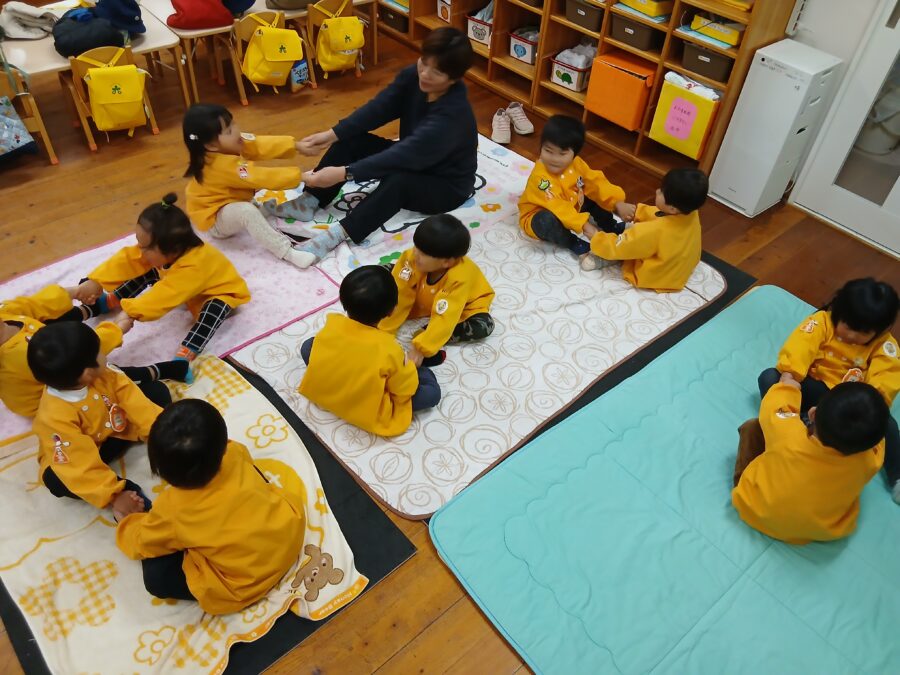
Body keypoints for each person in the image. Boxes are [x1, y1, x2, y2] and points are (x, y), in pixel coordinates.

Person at [289, 27, 478, 263]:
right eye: (424, 62)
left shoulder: (452, 115)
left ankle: (337, 235)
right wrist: (332, 134)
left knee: (399, 182)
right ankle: (310, 201)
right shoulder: (414, 76)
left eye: (437, 71)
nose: (425, 73)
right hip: (412, 161)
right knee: (351, 140)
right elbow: (380, 108)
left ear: (454, 78)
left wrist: (344, 173)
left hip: (445, 185)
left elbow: (403, 156)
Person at [116, 399, 306, 614]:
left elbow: (141, 543)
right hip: (289, 535)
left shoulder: (172, 509)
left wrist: (127, 520)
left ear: (161, 470)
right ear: (223, 445)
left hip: (244, 584)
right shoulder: (234, 452)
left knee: (156, 578)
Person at [758, 278, 900, 501]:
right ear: (838, 311)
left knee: (888, 425)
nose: (852, 336)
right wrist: (790, 376)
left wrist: (870, 406)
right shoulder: (822, 322)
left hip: (848, 404)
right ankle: (797, 422)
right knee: (769, 377)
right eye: (848, 327)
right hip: (815, 387)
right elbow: (800, 346)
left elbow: (886, 376)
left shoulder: (885, 345)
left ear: (879, 331)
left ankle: (897, 476)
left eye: (863, 333)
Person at [72, 194, 250, 364]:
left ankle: (187, 353)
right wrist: (96, 280)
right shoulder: (168, 253)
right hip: (186, 290)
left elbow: (163, 296)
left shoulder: (194, 267)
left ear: (172, 250)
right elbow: (129, 259)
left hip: (217, 293)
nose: (140, 250)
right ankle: (111, 300)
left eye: (145, 247)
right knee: (147, 268)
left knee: (213, 311)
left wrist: (131, 311)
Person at [27, 322, 164, 520]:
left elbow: (132, 400)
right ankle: (121, 491)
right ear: (86, 373)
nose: (104, 353)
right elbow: (77, 464)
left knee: (158, 392)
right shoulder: (54, 416)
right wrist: (113, 494)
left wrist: (159, 435)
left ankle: (154, 434)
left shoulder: (106, 374)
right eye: (100, 352)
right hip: (80, 453)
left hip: (116, 429)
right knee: (56, 479)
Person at [732, 376, 888, 544]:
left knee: (753, 427)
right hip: (821, 529)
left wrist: (788, 386)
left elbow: (774, 407)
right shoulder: (871, 460)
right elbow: (878, 444)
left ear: (812, 413)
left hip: (753, 508)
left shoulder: (788, 433)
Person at [0, 284, 189, 418]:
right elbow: (83, 350)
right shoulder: (22, 356)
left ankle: (90, 309)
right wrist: (117, 328)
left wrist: (76, 291)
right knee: (116, 377)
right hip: (53, 391)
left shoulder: (5, 313)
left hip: (56, 361)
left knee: (52, 316)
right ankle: (158, 371)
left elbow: (34, 304)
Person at [299, 266, 441, 436]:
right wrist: (411, 367)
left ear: (343, 301)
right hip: (370, 406)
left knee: (308, 346)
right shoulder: (390, 349)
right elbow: (404, 389)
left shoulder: (333, 323)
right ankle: (419, 371)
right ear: (392, 311)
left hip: (324, 390)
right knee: (431, 393)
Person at [182, 103, 316, 269]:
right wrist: (302, 177)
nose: (236, 131)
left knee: (248, 207)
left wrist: (295, 145)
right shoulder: (219, 166)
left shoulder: (229, 144)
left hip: (230, 201)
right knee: (246, 212)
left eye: (233, 123)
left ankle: (261, 210)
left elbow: (258, 144)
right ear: (211, 146)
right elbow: (260, 177)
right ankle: (287, 252)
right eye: (229, 131)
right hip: (214, 219)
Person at [378, 214, 494, 368]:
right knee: (380, 272)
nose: (415, 254)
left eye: (423, 253)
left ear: (447, 262)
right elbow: (401, 292)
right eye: (416, 247)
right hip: (423, 295)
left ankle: (428, 332)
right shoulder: (411, 257)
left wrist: (422, 346)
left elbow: (445, 316)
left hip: (459, 307)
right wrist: (384, 329)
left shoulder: (459, 278)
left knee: (484, 326)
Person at [518, 115, 631, 256]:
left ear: (574, 154)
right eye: (548, 151)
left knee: (592, 192)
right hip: (542, 213)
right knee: (546, 221)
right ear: (540, 147)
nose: (554, 159)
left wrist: (617, 202)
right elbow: (558, 207)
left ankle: (610, 224)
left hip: (572, 204)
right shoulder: (540, 178)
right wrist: (584, 225)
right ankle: (571, 241)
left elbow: (596, 182)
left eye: (562, 154)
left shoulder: (577, 164)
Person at [581, 168, 708, 293]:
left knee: (623, 244)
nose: (657, 191)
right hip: (679, 270)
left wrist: (596, 237)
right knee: (635, 231)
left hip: (657, 276)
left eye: (662, 192)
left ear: (672, 208)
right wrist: (638, 212)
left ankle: (602, 257)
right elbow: (658, 214)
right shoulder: (691, 212)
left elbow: (623, 246)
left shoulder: (653, 231)